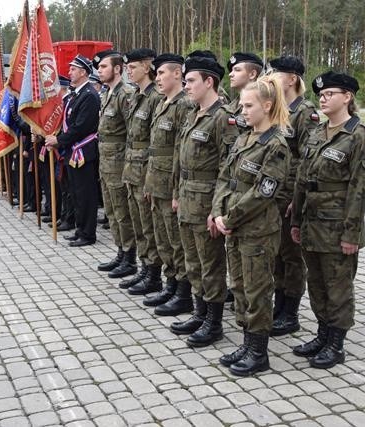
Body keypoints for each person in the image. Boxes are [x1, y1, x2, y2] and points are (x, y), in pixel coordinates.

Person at [291, 71, 365, 369]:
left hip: (338, 226)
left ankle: (336, 344)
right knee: (316, 283)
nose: (323, 98)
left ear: (347, 97)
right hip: (312, 223)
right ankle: (323, 334)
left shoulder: (358, 134)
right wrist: (296, 221)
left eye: (329, 94)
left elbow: (359, 188)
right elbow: (303, 179)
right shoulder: (318, 132)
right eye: (321, 95)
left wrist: (351, 234)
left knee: (337, 287)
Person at [211, 75, 291, 376]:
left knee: (257, 290)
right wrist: (218, 210)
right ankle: (247, 342)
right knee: (240, 286)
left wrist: (228, 219)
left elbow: (263, 192)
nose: (242, 111)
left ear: (267, 105)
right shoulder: (245, 138)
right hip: (234, 226)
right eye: (242, 105)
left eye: (248, 105)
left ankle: (259, 352)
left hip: (257, 230)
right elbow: (225, 177)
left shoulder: (277, 145)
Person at [169, 52, 238, 347]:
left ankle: (214, 322)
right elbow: (180, 161)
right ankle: (200, 313)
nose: (186, 86)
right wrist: (175, 195)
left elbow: (229, 169)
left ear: (209, 82)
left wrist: (218, 209)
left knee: (211, 265)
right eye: (185, 81)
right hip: (187, 200)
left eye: (191, 81)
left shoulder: (223, 118)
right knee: (193, 262)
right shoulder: (192, 113)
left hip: (207, 203)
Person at [265, 56, 320, 336]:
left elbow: (307, 161)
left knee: (292, 256)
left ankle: (291, 312)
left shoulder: (305, 111)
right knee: (276, 253)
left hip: (289, 197)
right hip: (273, 194)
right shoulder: (278, 109)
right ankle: (279, 304)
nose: (270, 77)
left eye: (276, 73)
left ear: (291, 79)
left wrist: (296, 200)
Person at [142, 53, 192, 316]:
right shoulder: (163, 103)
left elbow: (179, 153)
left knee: (177, 242)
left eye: (161, 73)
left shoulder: (184, 105)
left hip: (171, 185)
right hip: (156, 183)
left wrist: (176, 191)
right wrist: (149, 184)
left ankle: (184, 293)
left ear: (177, 74)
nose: (158, 78)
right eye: (157, 74)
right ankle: (170, 284)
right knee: (163, 240)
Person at [120, 48, 165, 295]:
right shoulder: (137, 96)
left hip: (145, 169)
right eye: (127, 67)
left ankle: (154, 274)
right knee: (138, 224)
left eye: (133, 67)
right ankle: (145, 269)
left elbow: (154, 142)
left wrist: (150, 176)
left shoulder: (155, 97)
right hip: (131, 168)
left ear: (147, 68)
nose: (129, 70)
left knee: (149, 226)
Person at [45, 54, 101, 247]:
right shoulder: (77, 94)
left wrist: (58, 140)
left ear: (84, 72)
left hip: (84, 151)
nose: (69, 72)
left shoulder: (89, 95)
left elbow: (81, 127)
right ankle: (80, 229)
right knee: (76, 193)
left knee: (85, 194)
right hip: (73, 151)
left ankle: (88, 234)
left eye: (73, 69)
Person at [93, 49, 137, 278]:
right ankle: (120, 252)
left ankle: (130, 258)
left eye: (104, 67)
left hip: (120, 163)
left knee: (122, 212)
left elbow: (133, 134)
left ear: (117, 69)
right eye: (99, 68)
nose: (99, 71)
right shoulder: (107, 93)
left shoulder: (125, 94)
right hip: (106, 163)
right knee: (111, 210)